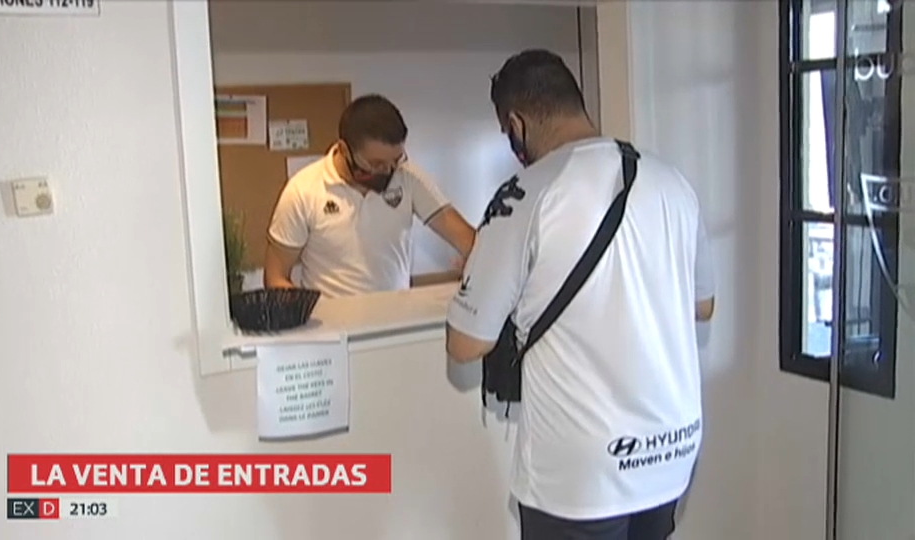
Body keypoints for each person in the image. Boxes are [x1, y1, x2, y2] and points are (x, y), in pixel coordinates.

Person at [445, 50, 716, 540]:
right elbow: (703, 305)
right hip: (671, 449)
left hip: (580, 472)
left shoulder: (523, 195)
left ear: (516, 123)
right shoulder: (671, 182)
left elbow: (465, 343)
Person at [264, 94, 476, 298]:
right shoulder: (303, 190)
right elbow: (275, 277)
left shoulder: (408, 177)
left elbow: (468, 240)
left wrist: (479, 263)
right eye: (376, 164)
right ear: (344, 150)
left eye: (396, 160)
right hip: (332, 327)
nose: (388, 171)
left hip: (395, 321)